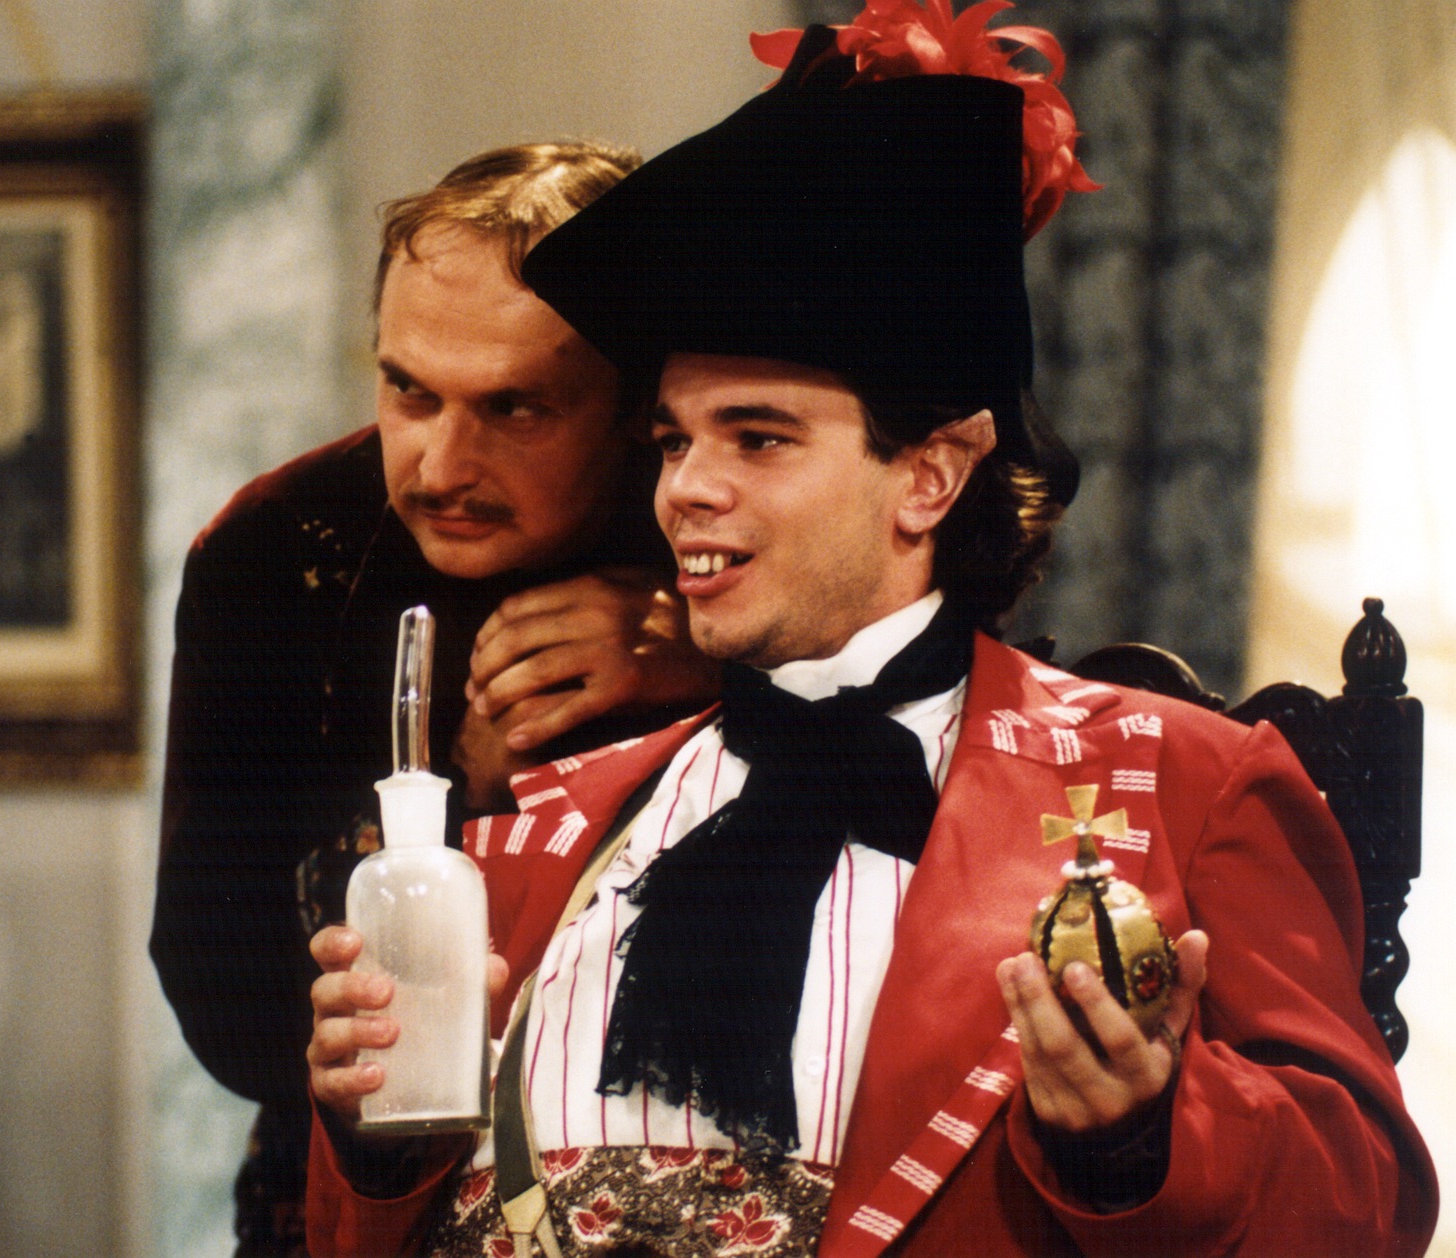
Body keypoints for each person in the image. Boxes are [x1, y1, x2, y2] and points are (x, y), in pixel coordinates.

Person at [303, 6, 1439, 1256]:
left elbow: (1362, 1211)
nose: (684, 488)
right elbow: (359, 1233)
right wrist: (378, 1137)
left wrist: (1138, 1133)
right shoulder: (540, 831)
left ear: (929, 476)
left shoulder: (1187, 787)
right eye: (673, 439)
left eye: (757, 437)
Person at [150, 141, 719, 1253]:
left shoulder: (723, 533)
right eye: (409, 390)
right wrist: (464, 814)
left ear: (635, 405)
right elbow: (220, 997)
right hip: (338, 1195)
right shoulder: (273, 552)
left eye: (515, 408)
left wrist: (704, 662)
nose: (441, 465)